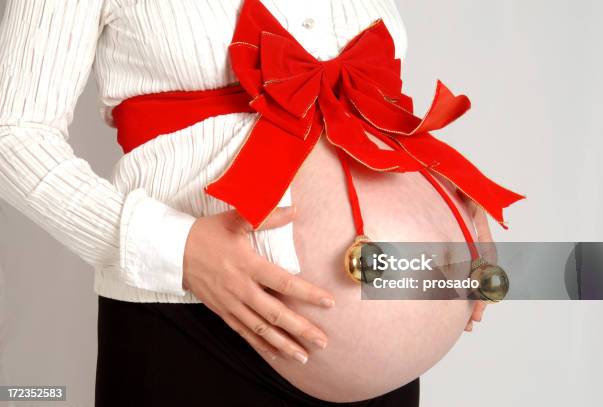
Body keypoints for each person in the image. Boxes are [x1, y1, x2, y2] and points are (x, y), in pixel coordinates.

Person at [0, 1, 502, 405]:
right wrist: (179, 249)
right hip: (197, 330)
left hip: (390, 350)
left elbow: (369, 110)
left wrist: (452, 203)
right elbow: (12, 135)